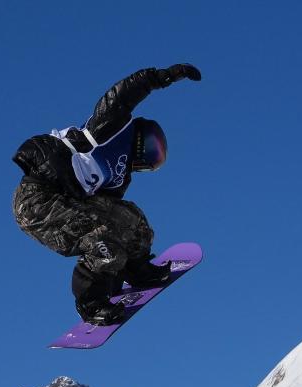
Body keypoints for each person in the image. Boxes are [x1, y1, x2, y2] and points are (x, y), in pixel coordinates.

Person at [11, 64, 202, 325]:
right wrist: (162, 77)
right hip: (36, 200)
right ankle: (91, 303)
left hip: (69, 199)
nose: (149, 161)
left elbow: (113, 213)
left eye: (155, 161)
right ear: (141, 138)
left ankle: (137, 270)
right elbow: (122, 94)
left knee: (131, 219)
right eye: (152, 151)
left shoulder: (120, 177)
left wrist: (127, 256)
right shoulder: (111, 129)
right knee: (104, 242)